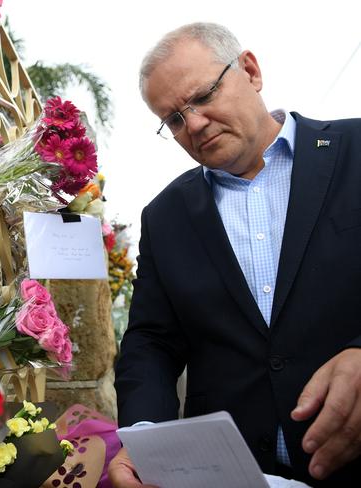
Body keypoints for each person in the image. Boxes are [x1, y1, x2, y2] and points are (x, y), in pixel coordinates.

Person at [109, 22, 361, 487]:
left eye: (203, 96)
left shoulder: (355, 151)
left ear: (250, 70)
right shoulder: (165, 216)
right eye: (175, 120)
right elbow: (151, 343)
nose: (196, 125)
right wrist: (144, 436)